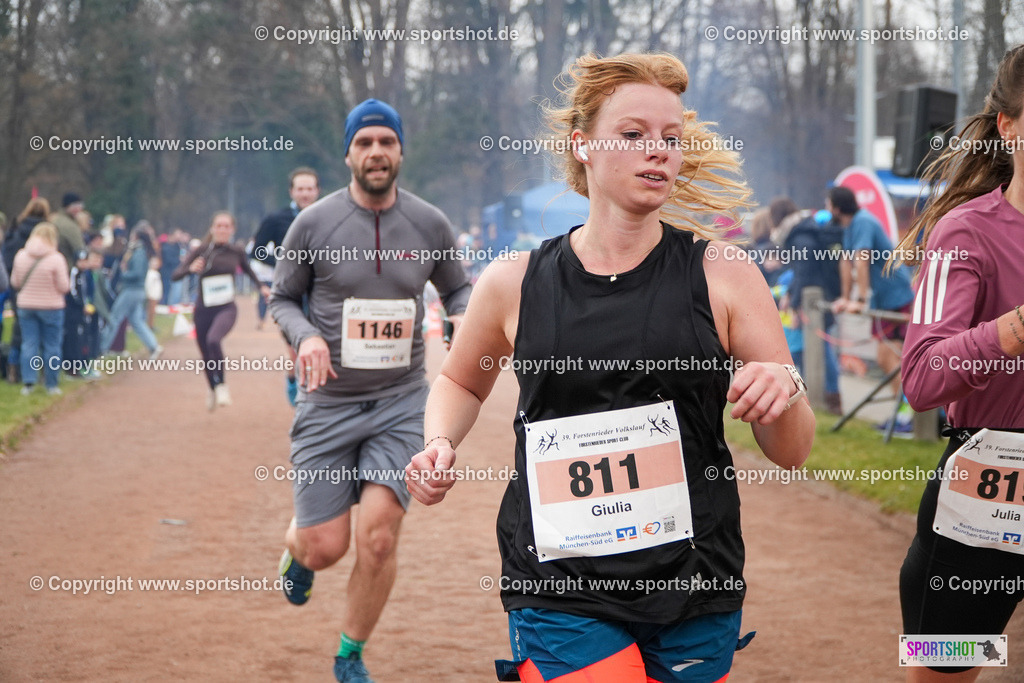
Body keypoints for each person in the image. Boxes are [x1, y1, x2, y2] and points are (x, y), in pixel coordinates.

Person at [405, 52, 815, 683]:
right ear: (584, 146)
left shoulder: (727, 276)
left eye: (671, 139)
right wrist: (438, 443)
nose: (658, 152)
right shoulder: (514, 282)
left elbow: (791, 451)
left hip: (694, 577)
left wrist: (783, 389)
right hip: (559, 580)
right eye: (633, 135)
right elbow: (461, 379)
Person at [270, 97, 472, 683]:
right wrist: (305, 335)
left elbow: (458, 291)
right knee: (325, 547)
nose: (376, 152)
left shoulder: (430, 223)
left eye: (386, 141)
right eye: (365, 143)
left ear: (401, 150)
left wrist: (463, 316)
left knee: (378, 539)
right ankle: (296, 548)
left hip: (401, 402)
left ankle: (349, 654)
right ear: (348, 153)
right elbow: (282, 298)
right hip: (328, 401)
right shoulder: (314, 223)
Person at [895, 44, 1024, 682]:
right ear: (1009, 125)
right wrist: (1010, 331)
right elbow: (920, 378)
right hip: (988, 491)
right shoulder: (967, 232)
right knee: (946, 674)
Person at [172, 211, 269, 410]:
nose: (222, 230)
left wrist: (262, 287)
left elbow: (250, 271)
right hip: (203, 308)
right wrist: (191, 269)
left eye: (227, 226)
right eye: (219, 226)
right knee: (205, 352)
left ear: (232, 230)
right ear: (212, 228)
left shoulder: (237, 251)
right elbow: (176, 274)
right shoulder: (201, 250)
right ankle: (212, 388)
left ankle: (222, 385)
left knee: (213, 340)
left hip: (226, 307)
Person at [829, 186, 915, 402]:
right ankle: (908, 413)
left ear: (837, 207)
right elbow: (846, 262)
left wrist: (859, 300)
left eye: (828, 203)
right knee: (889, 357)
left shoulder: (863, 222)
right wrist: (845, 298)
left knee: (888, 357)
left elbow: (862, 259)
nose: (826, 207)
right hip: (885, 298)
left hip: (895, 295)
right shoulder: (849, 226)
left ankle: (909, 414)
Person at [252, 167, 321, 402]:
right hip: (290, 292)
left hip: (323, 292)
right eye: (300, 189)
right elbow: (257, 251)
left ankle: (319, 393)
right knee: (295, 345)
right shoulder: (275, 219)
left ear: (317, 191)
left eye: (309, 189)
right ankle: (295, 384)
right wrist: (284, 263)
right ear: (292, 191)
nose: (305, 194)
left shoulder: (329, 216)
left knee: (321, 342)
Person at [10, 222, 69, 395]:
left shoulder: (21, 255)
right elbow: (64, 286)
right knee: (52, 345)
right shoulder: (56, 258)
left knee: (29, 344)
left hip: (26, 305)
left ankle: (28, 383)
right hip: (51, 307)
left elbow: (15, 282)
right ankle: (51, 384)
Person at [3, 197, 52, 383]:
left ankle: (14, 371)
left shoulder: (16, 230)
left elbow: (7, 263)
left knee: (19, 331)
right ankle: (40, 373)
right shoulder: (49, 233)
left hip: (20, 288)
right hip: (46, 291)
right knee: (43, 335)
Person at [99, 224, 163, 361]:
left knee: (114, 318)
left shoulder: (139, 252)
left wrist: (123, 273)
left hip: (132, 290)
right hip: (137, 290)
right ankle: (153, 346)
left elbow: (137, 274)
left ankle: (102, 349)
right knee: (136, 321)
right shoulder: (141, 250)